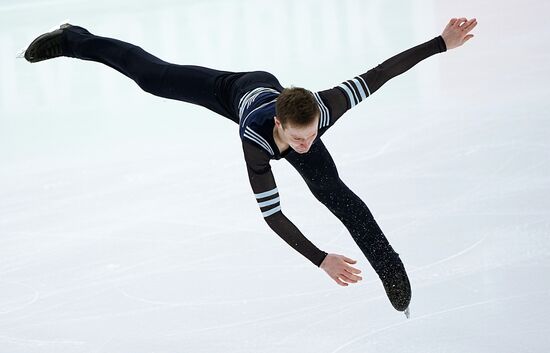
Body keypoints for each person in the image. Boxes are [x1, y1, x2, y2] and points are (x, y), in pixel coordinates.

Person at [22, 17, 477, 314]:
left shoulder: (322, 109)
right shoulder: (256, 140)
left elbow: (382, 72)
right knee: (152, 78)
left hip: (279, 95)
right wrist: (320, 259)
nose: (306, 144)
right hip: (235, 91)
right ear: (281, 124)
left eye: (313, 133)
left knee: (335, 195)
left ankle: (390, 267)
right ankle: (74, 38)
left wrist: (441, 42)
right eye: (299, 138)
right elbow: (272, 214)